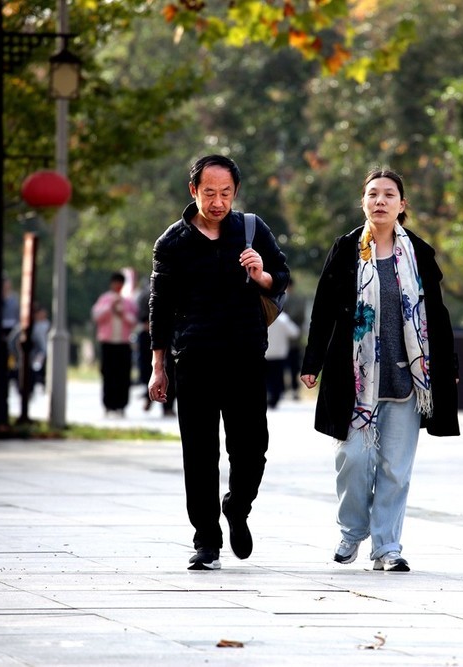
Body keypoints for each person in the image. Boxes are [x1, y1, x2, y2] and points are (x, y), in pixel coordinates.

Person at [300, 168, 459, 573]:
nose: (380, 201)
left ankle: (387, 546)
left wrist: (449, 366)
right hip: (354, 378)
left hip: (406, 378)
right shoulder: (346, 249)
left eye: (389, 194)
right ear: (363, 202)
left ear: (402, 205)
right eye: (373, 194)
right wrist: (312, 362)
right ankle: (352, 531)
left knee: (395, 468)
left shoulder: (418, 253)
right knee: (352, 458)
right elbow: (323, 309)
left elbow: (437, 314)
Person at [147, 154, 290, 571]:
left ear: (235, 192)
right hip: (195, 359)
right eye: (209, 193)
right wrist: (158, 366)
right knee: (199, 453)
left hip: (246, 356)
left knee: (252, 448)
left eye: (226, 193)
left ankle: (237, 507)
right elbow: (159, 308)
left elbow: (281, 277)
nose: (218, 202)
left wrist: (261, 275)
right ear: (193, 191)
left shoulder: (251, 229)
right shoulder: (171, 243)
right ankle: (206, 540)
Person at [91, 272, 138, 417]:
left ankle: (121, 404)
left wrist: (122, 313)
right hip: (108, 343)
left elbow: (133, 321)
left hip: (123, 343)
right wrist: (110, 307)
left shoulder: (128, 302)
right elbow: (96, 316)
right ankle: (108, 404)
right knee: (108, 374)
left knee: (123, 375)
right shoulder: (105, 299)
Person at [265, 310, 300, 409]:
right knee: (277, 377)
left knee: (267, 378)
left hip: (266, 353)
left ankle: (269, 395)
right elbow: (295, 332)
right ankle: (275, 397)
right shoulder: (283, 319)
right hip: (279, 354)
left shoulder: (263, 316)